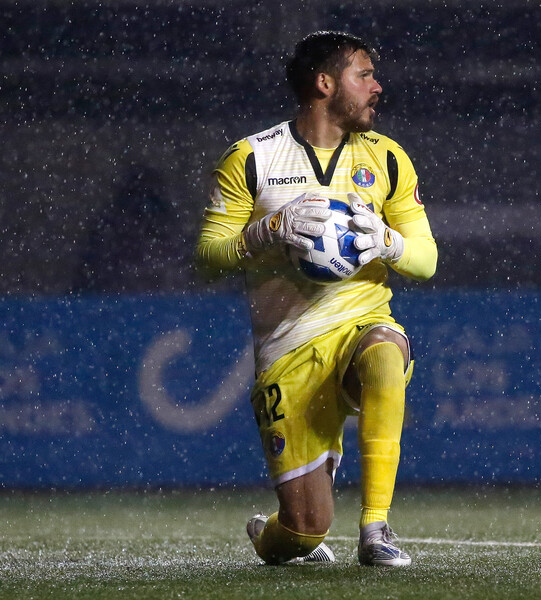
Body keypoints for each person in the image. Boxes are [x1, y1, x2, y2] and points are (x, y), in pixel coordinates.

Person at [195, 31, 437, 567]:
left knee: (384, 355)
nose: (378, 86)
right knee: (303, 532)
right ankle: (273, 534)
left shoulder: (389, 159)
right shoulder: (252, 158)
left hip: (361, 322)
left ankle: (376, 528)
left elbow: (427, 259)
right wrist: (266, 232)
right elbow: (207, 258)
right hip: (288, 351)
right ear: (326, 83)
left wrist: (391, 243)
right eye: (365, 74)